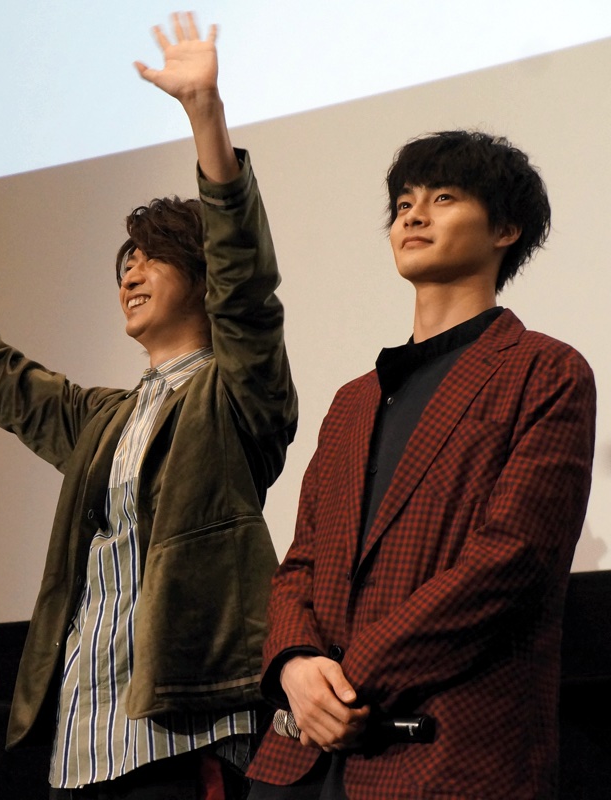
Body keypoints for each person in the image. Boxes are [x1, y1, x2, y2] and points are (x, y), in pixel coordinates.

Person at [0, 12, 297, 799]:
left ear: (202, 277)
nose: (132, 273)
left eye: (153, 258)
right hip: (82, 738)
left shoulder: (234, 391)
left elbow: (248, 285)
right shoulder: (104, 419)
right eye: (126, 262)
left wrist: (205, 114)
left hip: (184, 728)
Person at [246, 130, 598, 799]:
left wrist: (341, 681)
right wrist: (293, 663)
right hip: (301, 764)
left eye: (443, 198)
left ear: (506, 229)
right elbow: (302, 563)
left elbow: (511, 563)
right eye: (404, 203)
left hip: (439, 755)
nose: (413, 216)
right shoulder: (353, 400)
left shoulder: (546, 371)